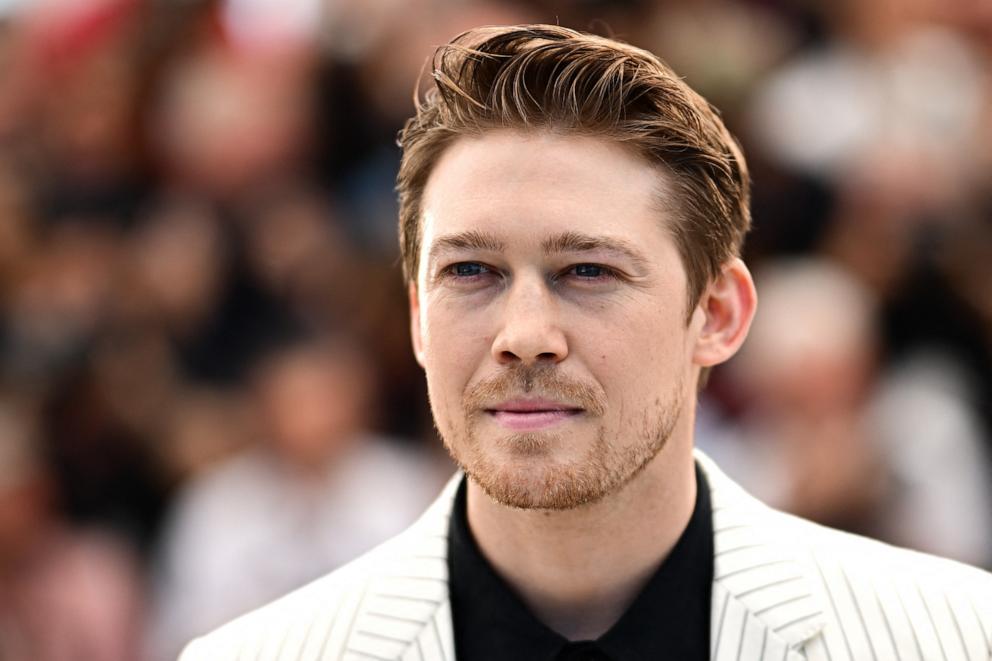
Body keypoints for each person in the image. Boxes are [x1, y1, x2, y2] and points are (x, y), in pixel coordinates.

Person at [180, 24, 992, 661]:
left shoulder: (955, 637)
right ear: (418, 318)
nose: (524, 336)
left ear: (718, 315)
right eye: (470, 270)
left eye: (588, 271)